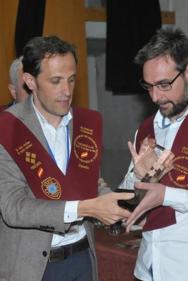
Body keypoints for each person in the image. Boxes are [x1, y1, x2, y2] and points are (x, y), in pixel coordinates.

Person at [0, 35, 134, 281]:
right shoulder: (7, 129)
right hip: (33, 267)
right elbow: (14, 208)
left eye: (72, 80)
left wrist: (134, 183)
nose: (67, 91)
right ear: (30, 81)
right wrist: (84, 208)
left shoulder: (85, 125)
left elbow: (89, 184)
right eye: (56, 81)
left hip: (82, 258)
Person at [120, 27, 188, 281]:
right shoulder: (147, 127)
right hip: (148, 266)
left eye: (164, 85)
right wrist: (139, 180)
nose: (155, 97)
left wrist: (167, 195)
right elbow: (129, 195)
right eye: (148, 86)